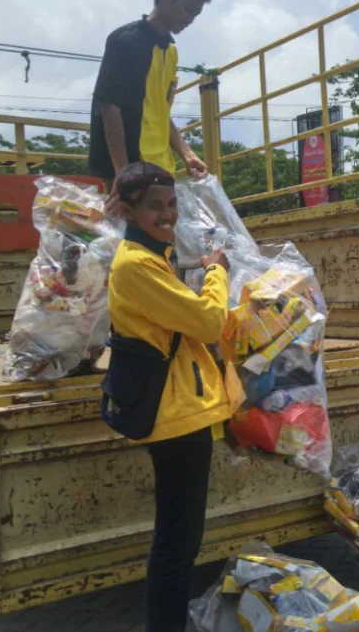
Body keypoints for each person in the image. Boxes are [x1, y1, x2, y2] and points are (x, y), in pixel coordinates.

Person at [106, 162, 233, 632]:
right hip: (176, 419)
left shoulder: (152, 257)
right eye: (155, 207)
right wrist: (216, 273)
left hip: (182, 412)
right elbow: (207, 323)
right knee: (177, 545)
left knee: (180, 541)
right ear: (128, 210)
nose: (167, 215)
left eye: (172, 204)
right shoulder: (137, 264)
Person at [90, 0, 212, 201]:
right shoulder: (126, 41)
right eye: (187, 10)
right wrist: (123, 175)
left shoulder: (171, 50)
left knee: (163, 235)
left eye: (195, 15)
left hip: (161, 169)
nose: (189, 20)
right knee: (132, 236)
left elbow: (160, 110)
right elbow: (109, 108)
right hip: (131, 169)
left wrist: (187, 154)